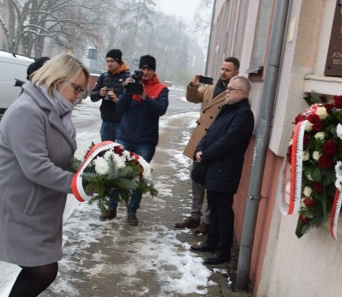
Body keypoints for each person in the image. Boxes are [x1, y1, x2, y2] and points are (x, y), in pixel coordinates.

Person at [0, 54, 90, 297]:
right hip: (15, 202)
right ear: (56, 81)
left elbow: (59, 155)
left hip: (38, 202)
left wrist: (89, 169)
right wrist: (78, 184)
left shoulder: (57, 108)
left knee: (40, 267)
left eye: (82, 91)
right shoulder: (27, 111)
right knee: (41, 269)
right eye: (76, 89)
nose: (79, 97)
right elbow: (36, 167)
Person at [190, 75, 254, 265]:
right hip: (213, 167)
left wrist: (206, 154)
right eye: (228, 88)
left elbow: (228, 142)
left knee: (224, 211)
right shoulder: (227, 110)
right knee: (214, 208)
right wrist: (199, 148)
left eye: (231, 89)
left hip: (226, 170)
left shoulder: (244, 115)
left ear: (242, 93)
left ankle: (223, 250)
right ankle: (211, 242)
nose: (227, 91)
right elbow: (209, 132)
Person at [175, 57, 240, 235]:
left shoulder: (234, 93)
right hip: (201, 140)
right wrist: (193, 85)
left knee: (210, 183)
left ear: (236, 72)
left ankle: (207, 221)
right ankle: (194, 215)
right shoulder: (211, 87)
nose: (223, 72)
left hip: (215, 142)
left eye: (227, 70)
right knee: (196, 178)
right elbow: (193, 98)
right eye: (222, 68)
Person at [104, 54, 169, 226]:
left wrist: (145, 96)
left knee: (139, 176)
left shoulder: (161, 89)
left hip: (145, 141)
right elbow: (120, 108)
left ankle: (132, 211)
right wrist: (127, 90)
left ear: (154, 70)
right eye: (143, 68)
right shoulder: (131, 83)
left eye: (149, 69)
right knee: (116, 172)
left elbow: (161, 110)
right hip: (125, 136)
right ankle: (112, 207)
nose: (145, 72)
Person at [89, 49, 131, 142]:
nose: (109, 64)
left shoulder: (128, 77)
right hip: (106, 121)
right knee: (106, 152)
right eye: (107, 61)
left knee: (122, 153)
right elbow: (92, 96)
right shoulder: (104, 76)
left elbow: (132, 102)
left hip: (122, 123)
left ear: (119, 61)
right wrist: (100, 93)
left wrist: (117, 99)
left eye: (112, 61)